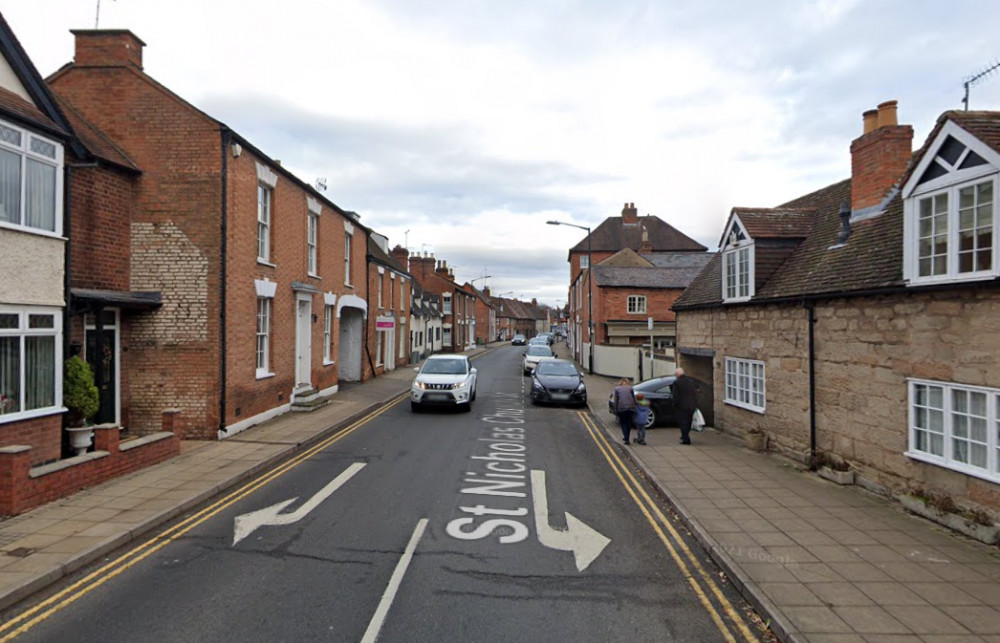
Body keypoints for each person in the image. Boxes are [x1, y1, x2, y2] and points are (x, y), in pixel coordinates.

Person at [670, 367, 698, 445]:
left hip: (682, 406)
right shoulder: (691, 381)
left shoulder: (677, 382)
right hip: (691, 406)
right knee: (688, 422)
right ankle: (684, 436)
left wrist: (674, 404)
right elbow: (695, 394)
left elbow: (675, 395)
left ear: (677, 374)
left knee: (683, 422)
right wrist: (695, 404)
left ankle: (686, 439)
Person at [612, 378, 637, 445]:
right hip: (630, 408)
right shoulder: (630, 388)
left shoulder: (617, 389)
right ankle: (627, 437)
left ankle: (626, 438)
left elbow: (616, 401)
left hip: (622, 408)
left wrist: (615, 410)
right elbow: (633, 398)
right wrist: (635, 407)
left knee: (623, 423)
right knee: (628, 424)